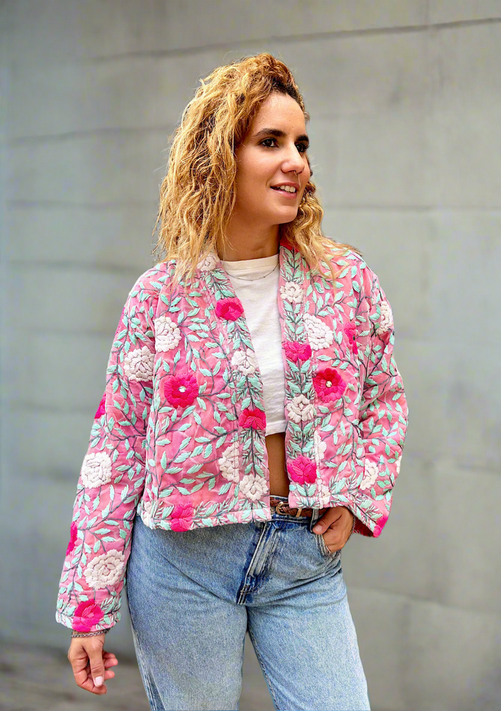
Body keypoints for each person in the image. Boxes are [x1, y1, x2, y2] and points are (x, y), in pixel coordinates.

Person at [57, 52, 408, 711]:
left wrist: (360, 495)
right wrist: (89, 605)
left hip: (302, 559)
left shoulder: (345, 281)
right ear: (220, 157)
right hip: (182, 565)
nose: (295, 160)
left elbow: (383, 399)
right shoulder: (159, 297)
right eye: (270, 141)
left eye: (301, 143)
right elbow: (116, 448)